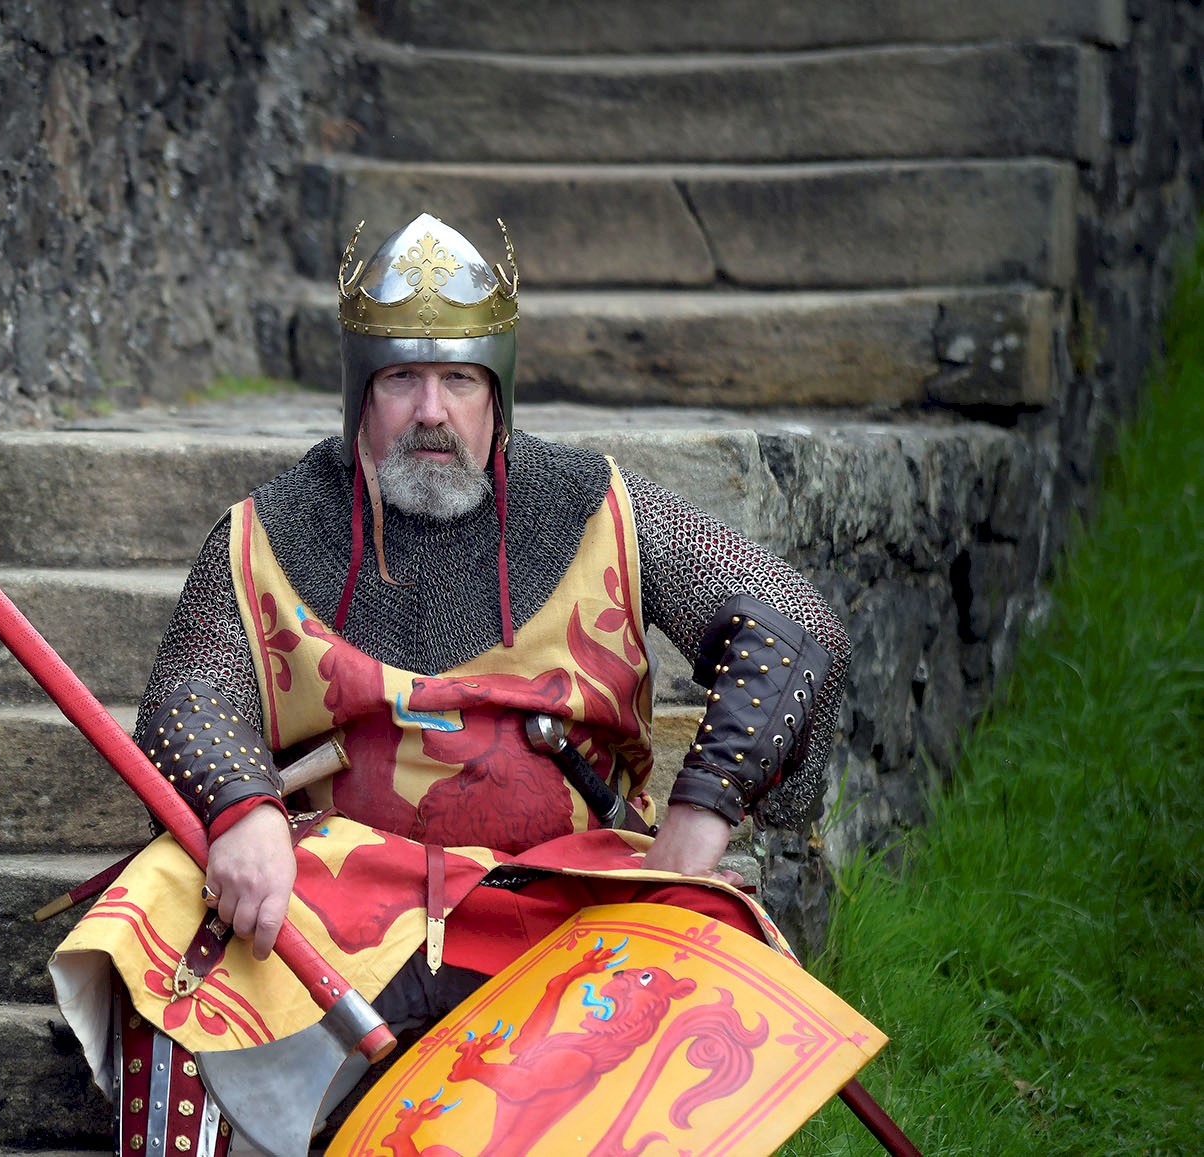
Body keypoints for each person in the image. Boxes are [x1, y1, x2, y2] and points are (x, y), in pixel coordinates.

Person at [45, 214, 851, 1156]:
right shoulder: (268, 529)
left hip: (566, 901)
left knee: (710, 949)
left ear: (496, 392)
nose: (431, 410)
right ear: (361, 393)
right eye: (401, 378)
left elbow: (795, 631)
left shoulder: (600, 508)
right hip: (336, 900)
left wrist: (701, 815)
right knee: (169, 929)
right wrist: (242, 808)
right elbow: (191, 693)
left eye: (458, 378)